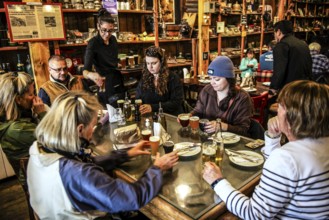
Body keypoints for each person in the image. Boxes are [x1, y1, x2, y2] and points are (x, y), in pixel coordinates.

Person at [27, 91, 179, 219]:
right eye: (93, 126)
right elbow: (132, 197)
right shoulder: (76, 173)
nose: (93, 133)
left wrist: (126, 154)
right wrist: (157, 169)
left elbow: (87, 164)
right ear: (80, 129)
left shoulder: (41, 149)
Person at [203, 80, 329, 219]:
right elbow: (282, 174)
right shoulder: (317, 146)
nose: (276, 110)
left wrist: (217, 181)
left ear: (292, 115)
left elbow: (254, 214)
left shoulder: (287, 158)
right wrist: (273, 137)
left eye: (280, 106)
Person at [191, 56, 253, 137]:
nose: (212, 83)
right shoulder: (206, 90)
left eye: (217, 79)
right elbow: (198, 111)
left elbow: (244, 130)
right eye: (210, 78)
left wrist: (223, 126)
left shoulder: (242, 98)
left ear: (228, 78)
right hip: (208, 138)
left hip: (232, 142)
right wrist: (190, 116)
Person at [0, 72, 47, 177]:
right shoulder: (17, 129)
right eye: (31, 94)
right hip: (39, 180)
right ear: (18, 100)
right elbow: (56, 140)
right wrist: (42, 113)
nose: (35, 97)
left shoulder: (11, 120)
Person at [83, 8, 125, 106]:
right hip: (104, 82)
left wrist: (117, 63)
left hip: (117, 78)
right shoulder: (93, 43)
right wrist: (92, 75)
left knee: (121, 106)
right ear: (98, 26)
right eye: (104, 30)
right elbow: (85, 71)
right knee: (108, 110)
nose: (107, 34)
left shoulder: (113, 39)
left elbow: (112, 59)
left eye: (110, 31)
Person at [136, 46, 184, 116]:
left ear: (162, 62)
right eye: (148, 63)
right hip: (151, 117)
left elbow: (176, 103)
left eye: (154, 63)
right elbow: (138, 98)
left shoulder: (173, 78)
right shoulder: (145, 78)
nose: (150, 67)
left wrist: (153, 107)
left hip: (170, 117)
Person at [270, 20, 312, 96]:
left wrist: (273, 88)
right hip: (305, 86)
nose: (275, 36)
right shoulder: (303, 44)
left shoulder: (281, 45)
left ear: (278, 32)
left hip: (290, 89)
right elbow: (309, 66)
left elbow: (279, 70)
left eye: (274, 33)